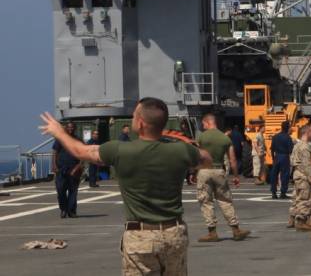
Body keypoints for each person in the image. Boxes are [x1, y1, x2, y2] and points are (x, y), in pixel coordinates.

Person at [40, 98, 211, 275]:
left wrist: (59, 132)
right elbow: (206, 159)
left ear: (141, 123)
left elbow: (81, 151)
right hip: (174, 234)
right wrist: (177, 143)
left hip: (140, 237)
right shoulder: (181, 151)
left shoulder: (120, 150)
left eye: (134, 115)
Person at [195, 113, 249, 242]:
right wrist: (236, 176)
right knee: (225, 200)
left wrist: (193, 172)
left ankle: (212, 232)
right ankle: (236, 229)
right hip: (219, 170)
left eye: (203, 124)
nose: (203, 126)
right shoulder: (225, 139)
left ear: (207, 122)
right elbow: (233, 160)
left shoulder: (201, 137)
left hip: (204, 171)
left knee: (206, 201)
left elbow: (197, 156)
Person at [288, 123, 311, 231]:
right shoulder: (305, 147)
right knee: (305, 198)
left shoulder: (297, 145)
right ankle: (301, 221)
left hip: (297, 174)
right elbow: (307, 165)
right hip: (303, 176)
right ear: (307, 132)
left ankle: (293, 217)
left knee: (297, 197)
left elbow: (292, 160)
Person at [52, 121, 83, 218]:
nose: (70, 129)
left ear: (75, 128)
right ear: (65, 128)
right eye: (69, 127)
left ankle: (71, 211)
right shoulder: (60, 139)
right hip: (61, 169)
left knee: (73, 191)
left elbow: (83, 155)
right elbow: (55, 152)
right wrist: (54, 165)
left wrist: (78, 167)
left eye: (72, 127)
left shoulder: (78, 140)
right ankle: (63, 209)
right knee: (60, 190)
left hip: (74, 169)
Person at [270, 121, 294, 199]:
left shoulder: (275, 136)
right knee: (284, 175)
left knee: (274, 175)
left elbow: (272, 149)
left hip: (276, 156)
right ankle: (283, 193)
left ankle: (273, 192)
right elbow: (291, 150)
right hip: (284, 157)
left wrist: (273, 159)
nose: (291, 129)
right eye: (290, 127)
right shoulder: (288, 137)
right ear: (287, 128)